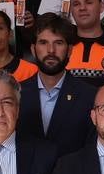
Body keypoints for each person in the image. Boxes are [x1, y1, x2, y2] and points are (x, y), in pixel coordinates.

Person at [17, 13, 96, 157]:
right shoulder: (15, 94)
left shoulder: (90, 96)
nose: (51, 50)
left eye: (58, 43)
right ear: (33, 50)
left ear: (70, 50)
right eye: (43, 42)